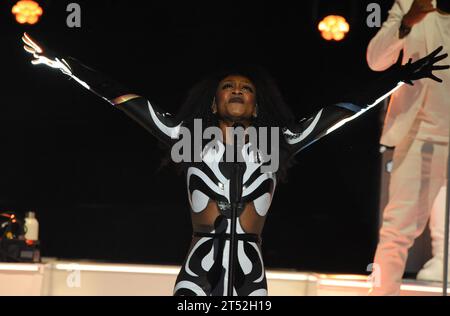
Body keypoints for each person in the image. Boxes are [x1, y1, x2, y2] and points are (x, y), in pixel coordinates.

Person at [21, 32, 448, 296]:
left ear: (258, 101)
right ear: (214, 99)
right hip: (198, 271)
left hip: (251, 273)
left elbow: (343, 111)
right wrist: (63, 63)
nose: (238, 91)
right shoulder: (186, 138)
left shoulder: (279, 142)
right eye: (229, 87)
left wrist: (395, 78)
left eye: (245, 87)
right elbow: (119, 96)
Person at [367, 0, 450, 295]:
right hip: (419, 133)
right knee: (397, 230)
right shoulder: (410, 3)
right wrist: (407, 23)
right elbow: (375, 60)